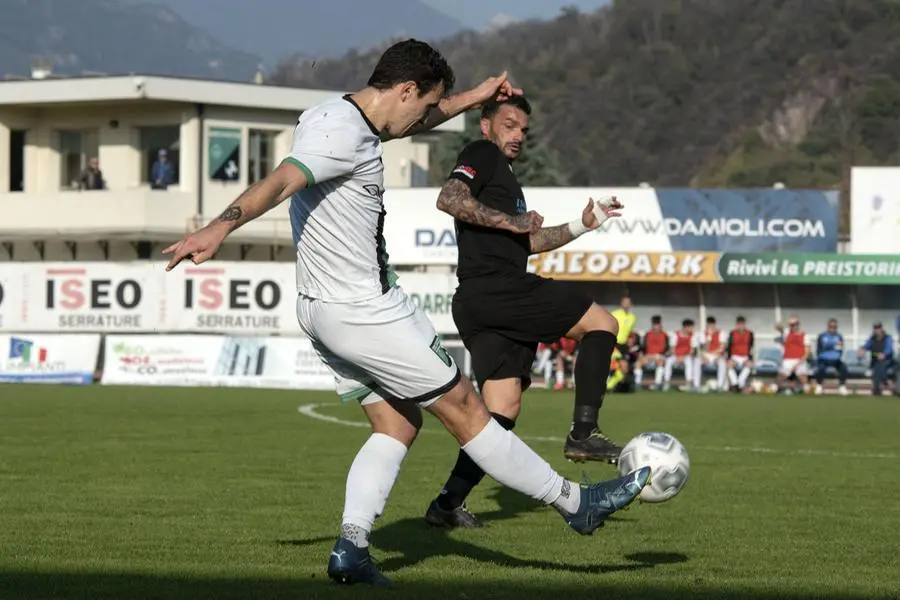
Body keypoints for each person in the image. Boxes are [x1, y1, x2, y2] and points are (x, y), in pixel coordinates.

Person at [161, 40, 649, 587]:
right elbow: (281, 181)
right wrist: (220, 226)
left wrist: (475, 96)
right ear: (405, 89)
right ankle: (575, 503)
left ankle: (350, 550)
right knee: (467, 408)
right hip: (362, 308)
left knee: (396, 423)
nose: (424, 120)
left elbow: (408, 123)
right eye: (423, 106)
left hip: (326, 309)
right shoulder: (340, 133)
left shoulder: (339, 115)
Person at [424, 95, 628, 529]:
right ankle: (583, 434)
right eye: (510, 125)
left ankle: (446, 504)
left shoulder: (506, 179)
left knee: (500, 414)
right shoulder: (482, 154)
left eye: (524, 130)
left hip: (480, 301)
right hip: (499, 289)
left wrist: (581, 225)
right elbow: (449, 197)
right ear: (486, 125)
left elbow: (528, 243)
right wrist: (510, 222)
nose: (518, 135)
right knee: (603, 324)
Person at [774, 317, 811, 394]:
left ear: (798, 325)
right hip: (788, 359)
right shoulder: (787, 333)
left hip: (800, 359)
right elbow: (777, 327)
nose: (794, 327)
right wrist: (782, 322)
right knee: (782, 375)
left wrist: (799, 363)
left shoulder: (805, 336)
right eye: (792, 325)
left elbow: (807, 352)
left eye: (795, 325)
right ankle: (775, 387)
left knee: (802, 377)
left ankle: (805, 388)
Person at [858, 321, 895, 396]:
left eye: (878, 328)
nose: (877, 330)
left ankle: (877, 388)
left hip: (887, 360)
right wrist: (862, 350)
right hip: (875, 361)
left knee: (878, 367)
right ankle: (884, 383)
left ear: (881, 328)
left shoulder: (888, 338)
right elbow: (866, 346)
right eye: (875, 328)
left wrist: (884, 354)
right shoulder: (872, 339)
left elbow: (889, 349)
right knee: (877, 366)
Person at [814, 318, 849, 396]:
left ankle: (842, 386)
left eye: (834, 327)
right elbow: (818, 349)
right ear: (828, 327)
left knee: (844, 367)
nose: (832, 328)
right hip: (824, 359)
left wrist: (836, 356)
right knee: (820, 368)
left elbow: (840, 350)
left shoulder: (839, 336)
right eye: (831, 326)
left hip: (835, 360)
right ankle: (819, 386)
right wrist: (822, 356)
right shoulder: (822, 336)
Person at [663, 319, 699, 392]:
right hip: (675, 355)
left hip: (686, 356)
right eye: (691, 327)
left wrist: (684, 357)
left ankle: (688, 383)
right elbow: (672, 349)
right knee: (668, 361)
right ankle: (666, 382)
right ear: (686, 327)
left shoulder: (693, 336)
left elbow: (692, 350)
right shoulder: (675, 335)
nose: (692, 329)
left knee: (689, 362)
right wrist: (677, 357)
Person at [634, 315, 668, 390]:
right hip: (648, 356)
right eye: (655, 324)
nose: (656, 326)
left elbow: (666, 349)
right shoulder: (647, 334)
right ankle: (637, 384)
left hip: (659, 356)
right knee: (638, 363)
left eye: (658, 324)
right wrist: (645, 356)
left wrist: (658, 355)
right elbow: (643, 348)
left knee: (660, 362)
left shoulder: (665, 335)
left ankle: (657, 384)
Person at [726, 316, 755, 392]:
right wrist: (729, 359)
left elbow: (751, 347)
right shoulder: (732, 333)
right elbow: (729, 347)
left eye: (742, 324)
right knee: (729, 366)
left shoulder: (750, 333)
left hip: (745, 356)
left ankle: (740, 384)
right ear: (737, 325)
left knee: (749, 365)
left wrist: (750, 359)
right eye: (739, 324)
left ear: (745, 324)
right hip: (734, 356)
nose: (741, 326)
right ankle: (735, 384)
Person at [698, 316, 727, 391]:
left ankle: (720, 386)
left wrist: (714, 353)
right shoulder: (703, 334)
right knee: (697, 361)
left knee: (722, 362)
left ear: (714, 324)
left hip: (717, 354)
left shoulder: (721, 333)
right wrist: (709, 337)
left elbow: (722, 348)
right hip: (707, 355)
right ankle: (696, 385)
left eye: (712, 324)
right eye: (709, 325)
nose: (711, 326)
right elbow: (704, 349)